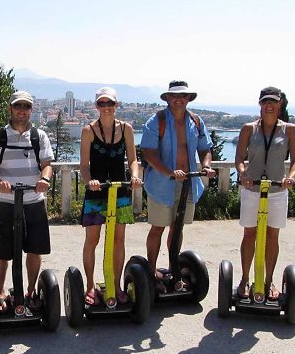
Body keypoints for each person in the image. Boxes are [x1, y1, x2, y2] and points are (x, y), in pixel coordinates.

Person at [0, 90, 54, 313]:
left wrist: (44, 178)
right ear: (10, 109)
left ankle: (30, 291)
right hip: (7, 202)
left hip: (33, 200)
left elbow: (47, 164)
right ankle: (1, 291)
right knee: (3, 250)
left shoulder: (39, 136)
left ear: (31, 110)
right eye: (18, 106)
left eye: (26, 107)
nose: (22, 111)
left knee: (34, 250)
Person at [140, 80, 215, 292]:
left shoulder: (196, 121)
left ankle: (174, 270)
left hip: (188, 183)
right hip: (162, 184)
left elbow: (205, 148)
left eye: (183, 96)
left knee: (178, 226)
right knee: (158, 227)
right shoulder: (157, 121)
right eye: (174, 96)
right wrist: (168, 172)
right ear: (168, 98)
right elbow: (148, 152)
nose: (179, 99)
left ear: (189, 98)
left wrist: (206, 165)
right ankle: (152, 272)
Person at [235, 86, 295, 300]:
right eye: (265, 102)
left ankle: (268, 280)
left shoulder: (289, 130)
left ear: (280, 104)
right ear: (260, 104)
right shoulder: (248, 129)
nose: (269, 105)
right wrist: (243, 174)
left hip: (277, 190)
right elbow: (238, 159)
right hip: (252, 189)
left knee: (272, 236)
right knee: (249, 234)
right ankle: (245, 279)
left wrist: (291, 177)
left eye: (273, 101)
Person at [79, 86, 142, 306]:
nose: (106, 108)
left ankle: (115, 284)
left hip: (119, 189)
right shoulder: (88, 131)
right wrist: (90, 182)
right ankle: (89, 285)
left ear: (116, 105)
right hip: (96, 192)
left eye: (110, 103)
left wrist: (134, 176)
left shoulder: (127, 129)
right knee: (92, 239)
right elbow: (84, 166)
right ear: (96, 106)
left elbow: (133, 160)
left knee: (118, 240)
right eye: (101, 104)